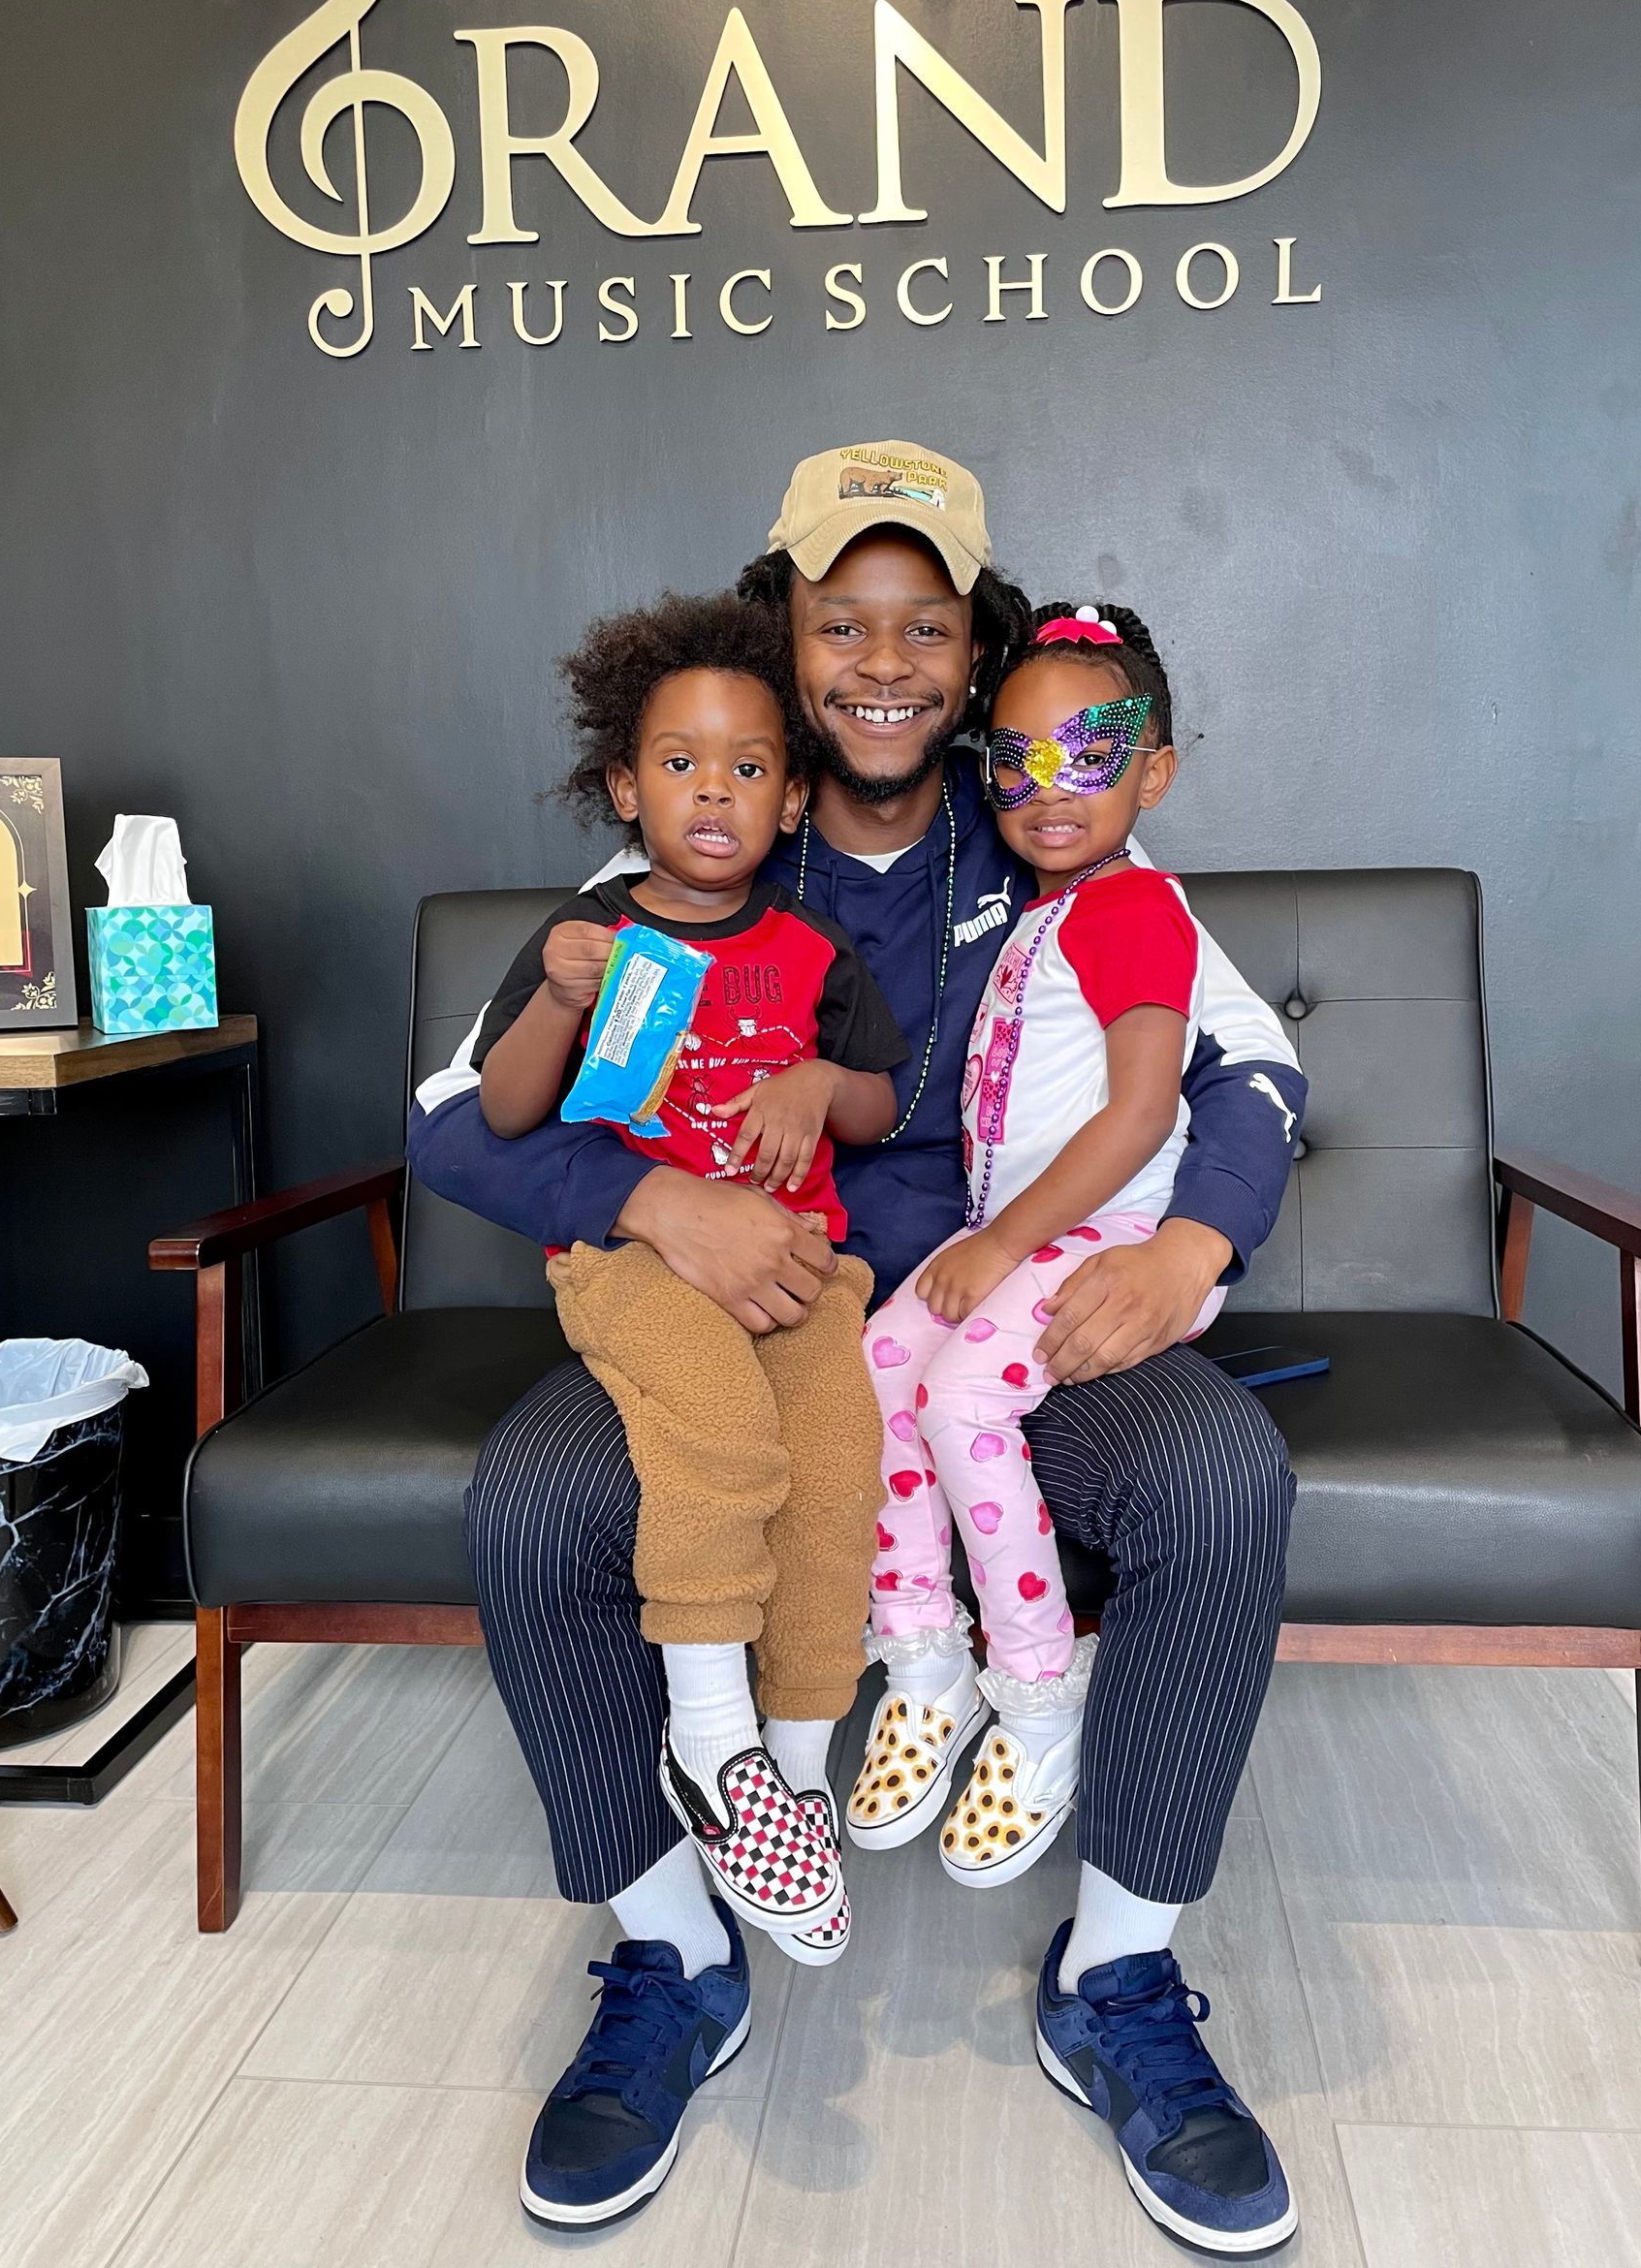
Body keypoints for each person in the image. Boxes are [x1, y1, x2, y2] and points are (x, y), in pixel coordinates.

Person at [408, 440, 1309, 2254]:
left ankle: (1120, 1980)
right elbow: (448, 1116)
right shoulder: (699, 825)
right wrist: (662, 1205)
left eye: (922, 629)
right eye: (839, 624)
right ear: (789, 637)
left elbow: (1256, 1072)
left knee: (1222, 1477)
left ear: (974, 656)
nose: (880, 668)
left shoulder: (1065, 826)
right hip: (740, 1329)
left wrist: (1202, 1235)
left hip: (1015, 1335)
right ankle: (673, 1950)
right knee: (525, 1508)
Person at [472, 594, 907, 1960]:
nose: (712, 790)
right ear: (621, 786)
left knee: (839, 1468)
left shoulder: (816, 955)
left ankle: (789, 1765)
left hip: (800, 1267)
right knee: (719, 1434)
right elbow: (495, 1115)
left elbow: (882, 1110)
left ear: (790, 803)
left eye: (749, 766)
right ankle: (710, 1745)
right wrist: (555, 994)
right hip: (635, 1265)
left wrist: (823, 1079)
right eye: (677, 763)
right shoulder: (590, 940)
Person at [854, 602, 1225, 1895]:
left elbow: (1138, 1113)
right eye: (1014, 759)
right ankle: (921, 1657)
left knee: (959, 1399)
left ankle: (1035, 1691)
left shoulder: (1133, 909)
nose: (1049, 789)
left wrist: (999, 1240)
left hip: (1097, 1238)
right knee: (875, 1370)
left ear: (1153, 771)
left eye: (1092, 753)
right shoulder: (1051, 912)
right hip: (1022, 1237)